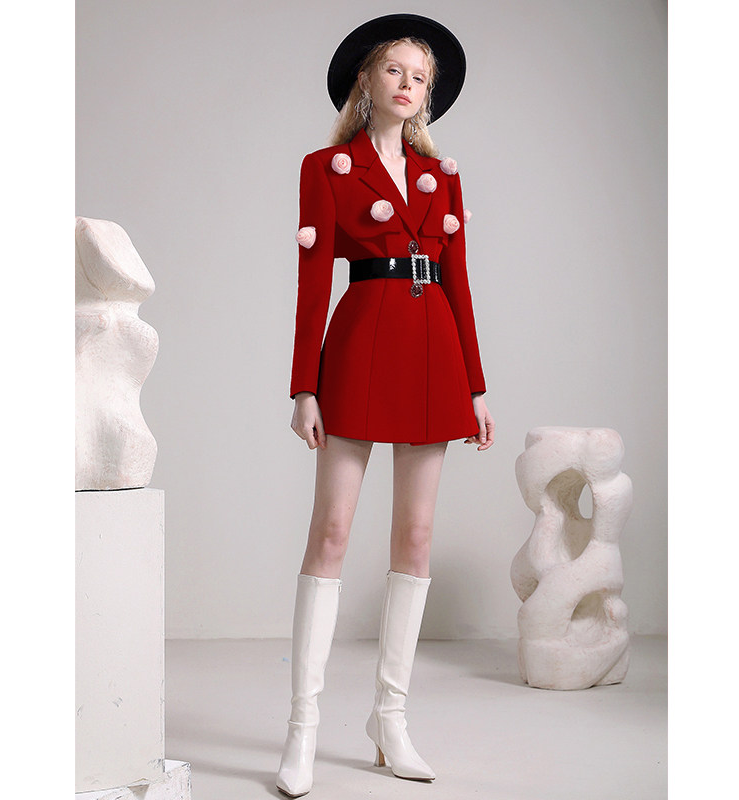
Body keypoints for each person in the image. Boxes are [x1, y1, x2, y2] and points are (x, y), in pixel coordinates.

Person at [277, 14, 495, 798]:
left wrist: (476, 387)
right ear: (365, 80)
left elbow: (459, 280)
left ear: (427, 96)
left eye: (420, 77)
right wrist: (304, 386)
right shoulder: (326, 168)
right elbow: (311, 286)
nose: (408, 84)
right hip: (361, 343)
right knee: (332, 531)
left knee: (418, 534)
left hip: (435, 348)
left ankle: (390, 720)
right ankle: (303, 729)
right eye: (395, 70)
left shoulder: (443, 178)